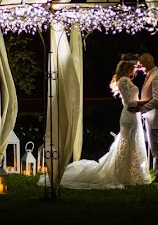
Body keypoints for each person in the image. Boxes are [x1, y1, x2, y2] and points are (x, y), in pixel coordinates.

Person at [60, 54, 151, 189]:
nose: (136, 70)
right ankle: (124, 175)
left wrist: (140, 106)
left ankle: (133, 174)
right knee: (128, 145)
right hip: (129, 116)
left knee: (132, 145)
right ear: (129, 66)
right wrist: (148, 101)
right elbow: (129, 102)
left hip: (134, 115)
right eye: (134, 67)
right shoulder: (124, 81)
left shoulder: (126, 80)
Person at [128, 52, 158, 184]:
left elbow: (157, 100)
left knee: (157, 148)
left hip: (157, 117)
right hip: (150, 117)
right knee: (155, 148)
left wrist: (140, 110)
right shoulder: (151, 75)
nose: (139, 66)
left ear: (147, 62)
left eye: (141, 64)